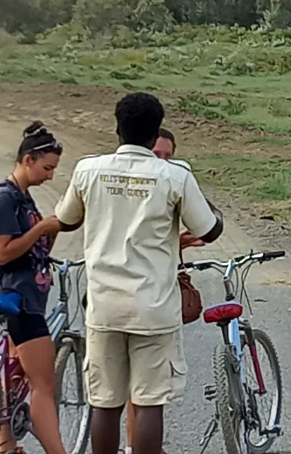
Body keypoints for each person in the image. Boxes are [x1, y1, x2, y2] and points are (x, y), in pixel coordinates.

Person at [54, 92, 223, 454]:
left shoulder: (88, 170)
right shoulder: (173, 176)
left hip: (104, 306)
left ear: (118, 128)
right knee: (148, 404)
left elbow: (66, 220)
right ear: (154, 135)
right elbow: (208, 230)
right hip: (153, 308)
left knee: (105, 403)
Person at [122, 126, 209, 454]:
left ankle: (135, 446)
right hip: (141, 295)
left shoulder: (171, 184)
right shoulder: (131, 188)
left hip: (158, 290)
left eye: (168, 156)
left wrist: (179, 243)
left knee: (140, 385)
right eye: (157, 154)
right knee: (144, 387)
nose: (162, 162)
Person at [0, 121, 67, 454]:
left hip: (29, 295)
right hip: (19, 299)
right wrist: (39, 230)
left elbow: (33, 254)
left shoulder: (24, 199)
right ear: (28, 159)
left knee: (16, 373)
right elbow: (2, 252)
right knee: (43, 386)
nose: (50, 175)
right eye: (47, 168)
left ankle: (6, 443)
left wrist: (50, 232)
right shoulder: (5, 198)